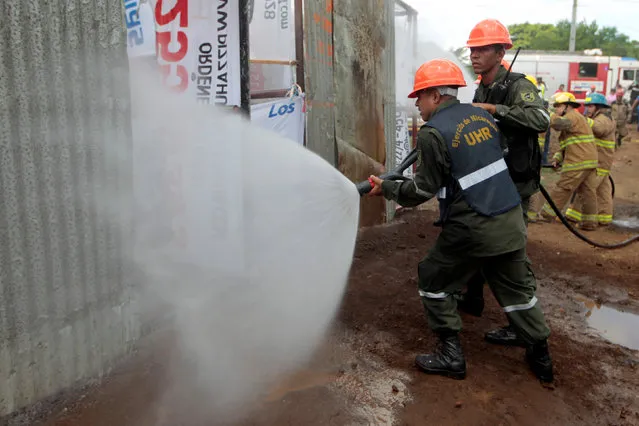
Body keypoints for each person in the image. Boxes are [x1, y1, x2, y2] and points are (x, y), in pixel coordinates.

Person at [367, 58, 553, 383]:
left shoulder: (432, 133)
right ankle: (541, 354)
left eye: (420, 97)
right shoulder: (481, 116)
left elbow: (421, 190)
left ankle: (451, 354)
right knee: (517, 289)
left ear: (436, 96)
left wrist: (387, 189)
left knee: (433, 278)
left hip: (473, 226)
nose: (417, 104)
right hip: (509, 217)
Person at [456, 19, 550, 348]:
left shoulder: (517, 85)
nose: (474, 55)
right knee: (479, 240)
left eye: (482, 49)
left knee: (510, 255)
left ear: (500, 52)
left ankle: (522, 327)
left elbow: (540, 119)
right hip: (493, 182)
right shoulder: (482, 86)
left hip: (515, 185)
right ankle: (473, 299)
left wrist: (497, 109)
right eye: (472, 49)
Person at [534, 92, 599, 230]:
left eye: (558, 106)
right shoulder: (576, 118)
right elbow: (567, 144)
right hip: (589, 160)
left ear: (567, 106)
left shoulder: (572, 116)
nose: (556, 109)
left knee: (563, 187)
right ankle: (589, 222)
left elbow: (557, 123)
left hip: (578, 161)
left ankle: (546, 215)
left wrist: (545, 113)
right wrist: (558, 157)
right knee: (588, 192)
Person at [565, 93, 616, 226]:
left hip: (600, 161)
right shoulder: (596, 117)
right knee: (603, 189)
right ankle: (604, 217)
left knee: (587, 188)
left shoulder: (605, 118)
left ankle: (574, 215)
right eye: (587, 105)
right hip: (600, 160)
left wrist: (582, 120)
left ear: (599, 106)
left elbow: (599, 129)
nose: (588, 108)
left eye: (591, 106)